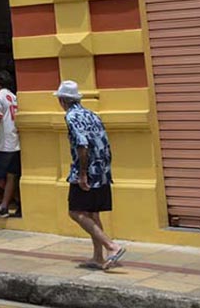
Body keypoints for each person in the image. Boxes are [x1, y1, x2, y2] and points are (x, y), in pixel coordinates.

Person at [55, 80, 125, 270]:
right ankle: (98, 257)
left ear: (62, 100)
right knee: (92, 213)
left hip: (87, 170)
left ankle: (111, 246)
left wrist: (83, 173)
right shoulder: (92, 114)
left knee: (76, 212)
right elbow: (104, 142)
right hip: (102, 169)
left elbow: (82, 145)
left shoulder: (72, 117)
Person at [0, 70, 21, 218]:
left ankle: (18, 199)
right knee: (11, 175)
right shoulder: (14, 98)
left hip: (3, 143)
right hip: (15, 141)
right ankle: (4, 205)